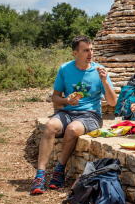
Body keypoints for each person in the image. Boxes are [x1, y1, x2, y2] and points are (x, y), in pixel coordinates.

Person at [31, 35, 116, 195]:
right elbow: (55, 97)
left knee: (71, 129)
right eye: (86, 50)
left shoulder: (99, 71)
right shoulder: (65, 69)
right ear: (75, 53)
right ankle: (40, 175)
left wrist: (104, 81)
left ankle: (59, 170)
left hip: (90, 115)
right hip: (67, 111)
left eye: (91, 50)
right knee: (50, 126)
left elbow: (112, 102)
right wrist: (67, 101)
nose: (90, 53)